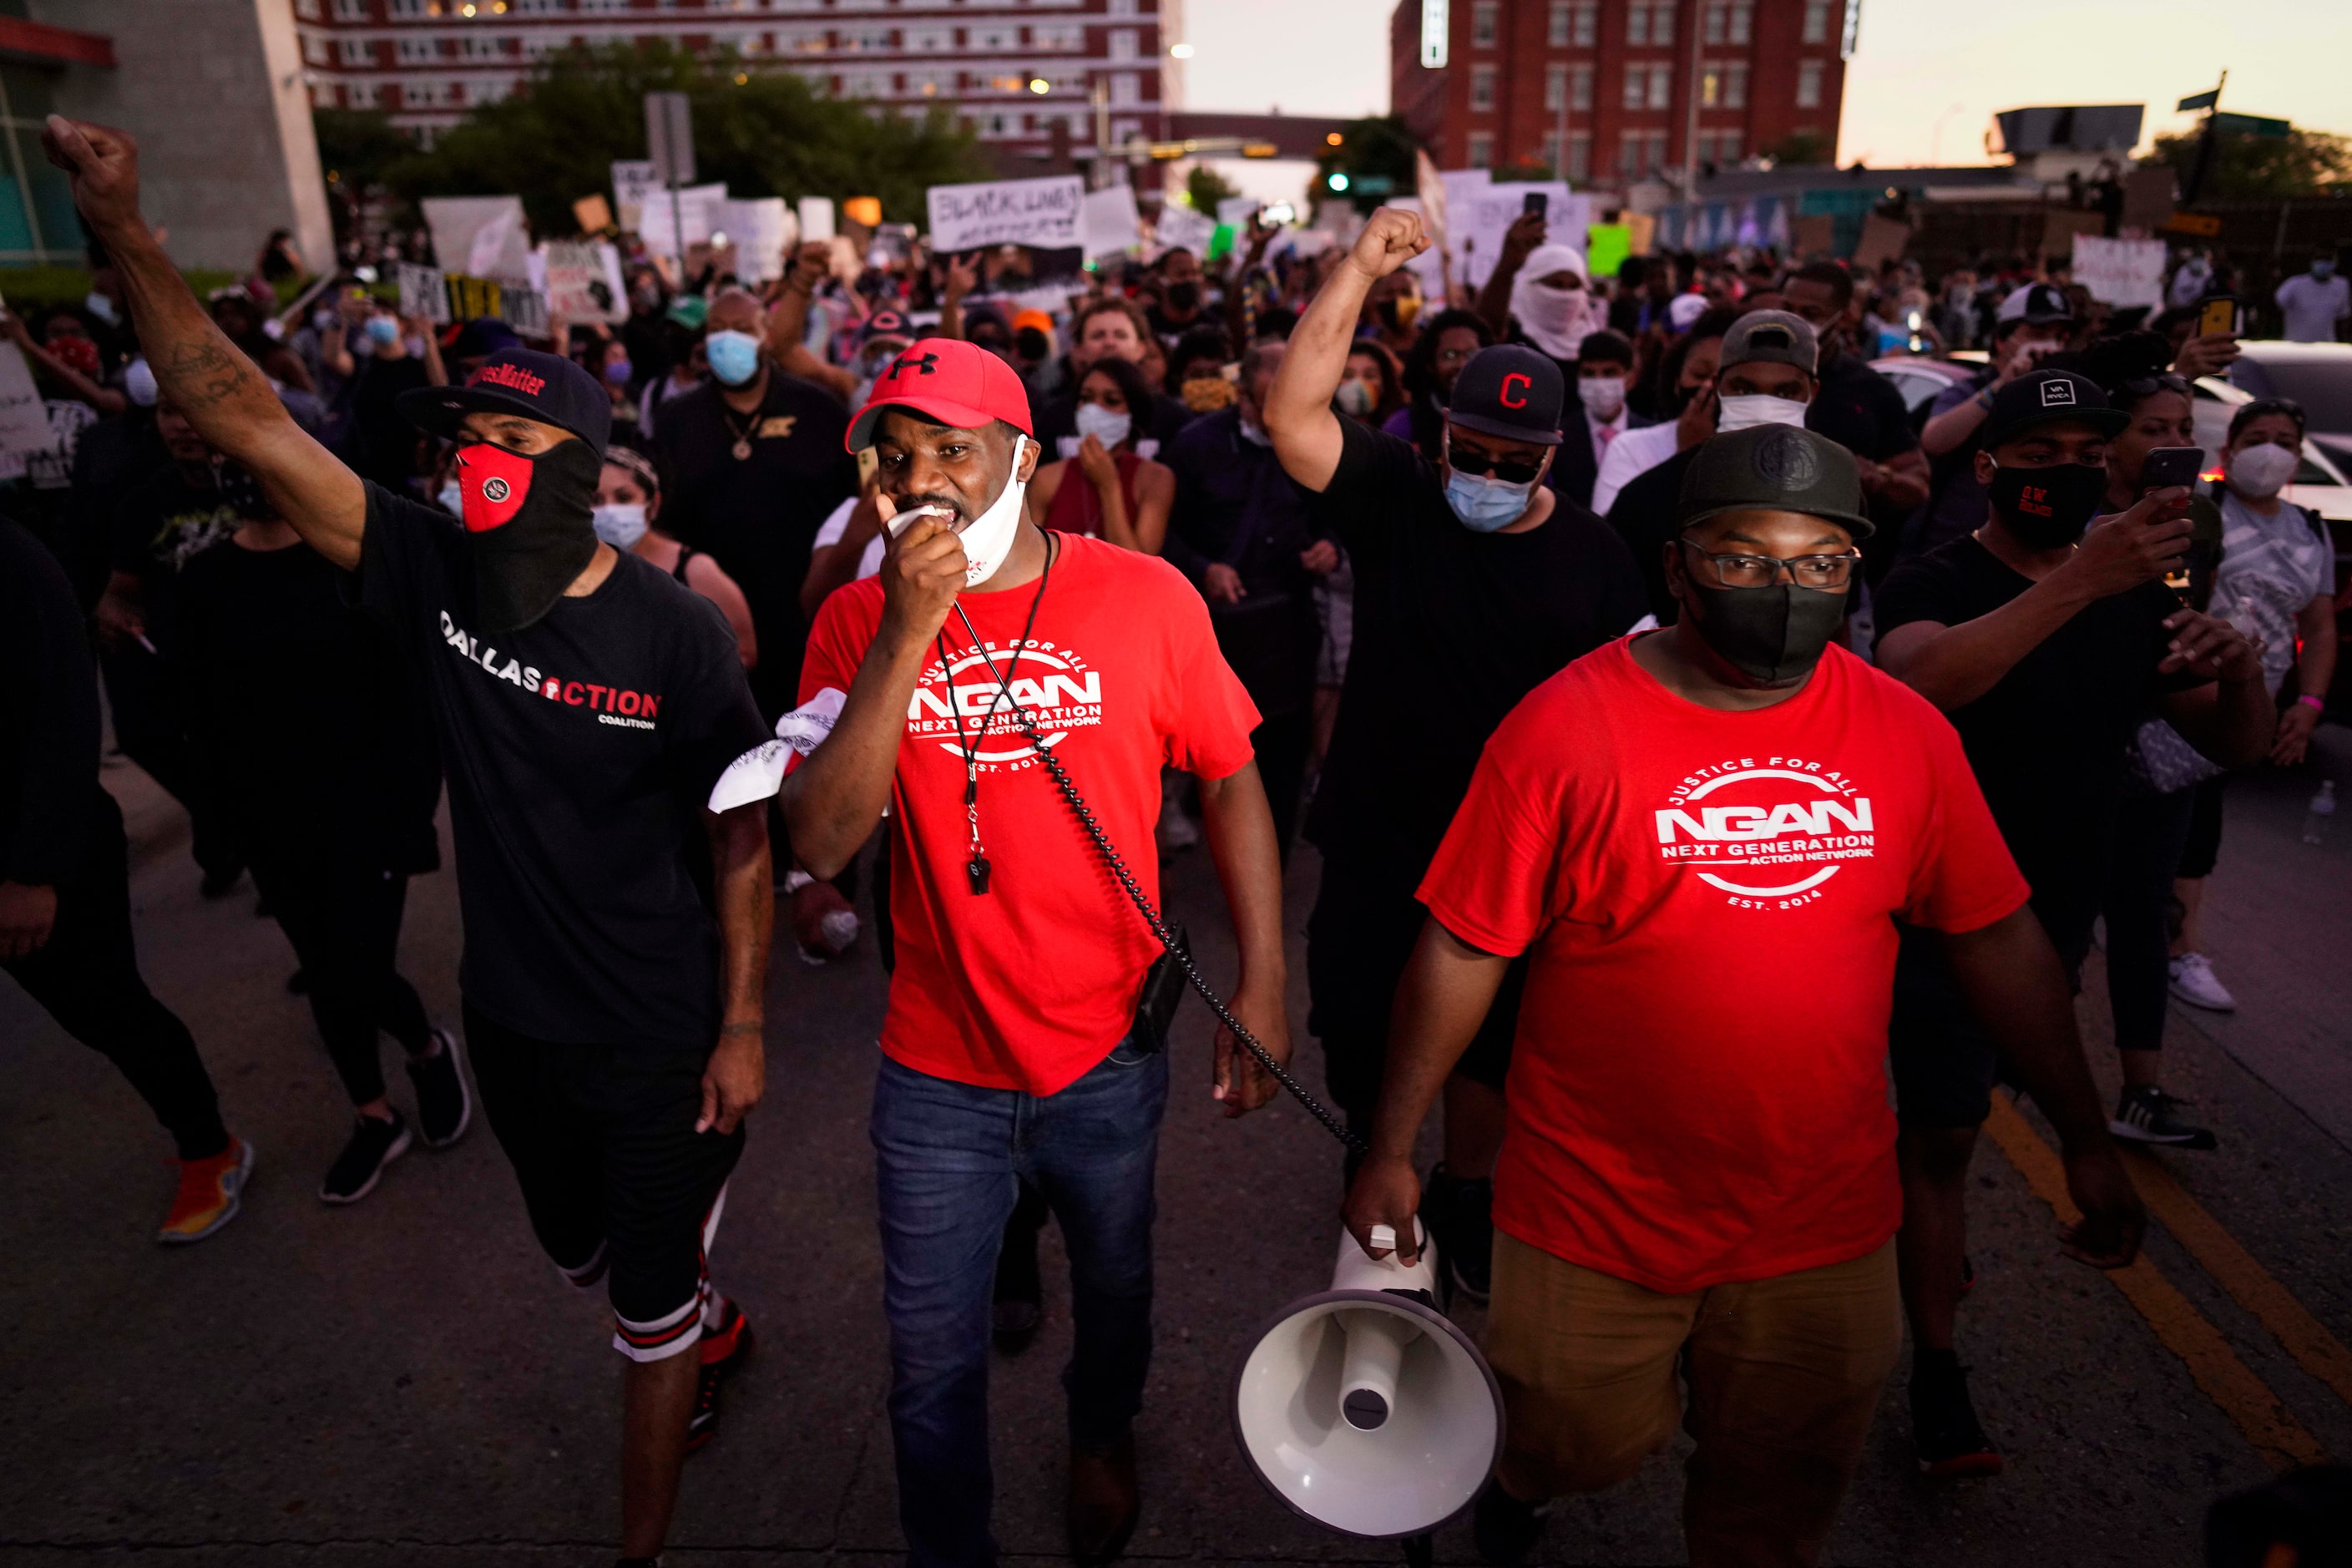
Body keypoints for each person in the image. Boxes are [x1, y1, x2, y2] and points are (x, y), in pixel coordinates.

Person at [49, 114, 777, 1568]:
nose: (480, 466)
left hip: (655, 1031)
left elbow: (744, 833)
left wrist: (745, 1019)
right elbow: (245, 412)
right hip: (511, 1023)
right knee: (577, 1255)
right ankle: (695, 1303)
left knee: (641, 1324)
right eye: (465, 442)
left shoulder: (677, 635)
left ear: (582, 464)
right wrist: (127, 225)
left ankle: (648, 1505)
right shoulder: (433, 573)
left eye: (515, 442)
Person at [1343, 422, 2146, 1568]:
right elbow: (1464, 946)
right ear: (1676, 568)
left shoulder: (1904, 734)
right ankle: (1523, 1479)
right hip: (1591, 1213)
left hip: (1820, 1223)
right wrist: (1389, 1142)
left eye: (1820, 563)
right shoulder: (1563, 728)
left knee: (1774, 1502)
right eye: (1744, 559)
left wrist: (2082, 1130)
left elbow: (1996, 936)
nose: (1786, 589)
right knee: (1571, 1440)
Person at [776, 336, 1290, 1568]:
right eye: (899, 456)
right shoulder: (857, 618)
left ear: (1023, 458)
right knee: (926, 1365)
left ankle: (1101, 1434)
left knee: (1115, 1291)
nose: (929, 479)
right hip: (936, 1066)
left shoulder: (1145, 598)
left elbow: (1230, 781)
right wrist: (905, 633)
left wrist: (1266, 981)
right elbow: (824, 837)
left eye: (956, 449)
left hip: (1108, 1049)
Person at [1872, 368, 2273, 1475]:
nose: (2059, 475)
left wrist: (2239, 668)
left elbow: (2233, 740)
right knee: (1941, 1136)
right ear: (1989, 468)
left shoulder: (2131, 596)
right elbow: (1917, 685)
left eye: (2078, 456)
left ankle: (1916, 1262)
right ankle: (1938, 1372)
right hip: (1933, 919)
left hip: (2056, 919)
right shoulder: (1935, 578)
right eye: (2034, 456)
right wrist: (2081, 578)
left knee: (1964, 1116)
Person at [1265, 208, 1646, 1303]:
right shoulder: (1396, 499)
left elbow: (1626, 704)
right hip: (1379, 834)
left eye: (1510, 460)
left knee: (1495, 1053)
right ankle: (1372, 1161)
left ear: (1551, 455)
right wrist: (1360, 268)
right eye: (1468, 450)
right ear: (1439, 434)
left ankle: (1468, 1194)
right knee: (1355, 1027)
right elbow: (1295, 414)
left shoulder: (1598, 559)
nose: (1483, 470)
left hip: (1518, 856)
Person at [177, 463, 463, 1203]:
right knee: (325, 970)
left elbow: (408, 706)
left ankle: (429, 1051)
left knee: (357, 969)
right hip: (271, 827)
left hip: (367, 819)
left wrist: (407, 824)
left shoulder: (352, 567)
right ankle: (374, 1115)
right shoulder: (204, 580)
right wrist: (220, 825)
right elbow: (201, 718)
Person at [3, 512, 251, 1242]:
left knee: (108, 1008)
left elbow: (63, 713)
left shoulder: (13, 560)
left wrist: (33, 871)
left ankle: (209, 1145)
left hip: (43, 856)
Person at [2168, 398, 2339, 1011]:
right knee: (2160, 820)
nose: (2270, 450)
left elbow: (2317, 627)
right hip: (2177, 697)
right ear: (2229, 451)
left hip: (2246, 705)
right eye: (2258, 437)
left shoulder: (2310, 529)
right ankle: (2152, 937)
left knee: (2199, 830)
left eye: (2284, 440)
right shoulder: (2202, 511)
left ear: (2296, 456)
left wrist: (2309, 702)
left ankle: (2179, 949)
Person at [655, 286, 857, 721]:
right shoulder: (676, 419)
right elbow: (663, 522)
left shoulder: (819, 410)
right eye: (717, 329)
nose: (728, 339)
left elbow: (853, 508)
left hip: (804, 614)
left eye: (743, 328)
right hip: (710, 618)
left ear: (767, 335)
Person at [1162, 340, 1333, 857]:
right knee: (1220, 751)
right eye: (1267, 403)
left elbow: (1350, 517)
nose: (1281, 415)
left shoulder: (1327, 441)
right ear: (1241, 399)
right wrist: (1203, 570)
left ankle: (1271, 861)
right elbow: (1162, 532)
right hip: (1216, 629)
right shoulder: (1195, 445)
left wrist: (1332, 547)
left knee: (1283, 751)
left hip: (1292, 623)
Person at [1606, 310, 1820, 623]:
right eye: (1745, 390)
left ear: (1812, 393)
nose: (1763, 405)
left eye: (1785, 392)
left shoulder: (1833, 494)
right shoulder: (1647, 499)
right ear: (1718, 386)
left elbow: (1838, 626)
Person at [1908, 282, 2076, 559]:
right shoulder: (1969, 391)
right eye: (2038, 334)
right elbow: (1935, 439)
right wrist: (2004, 384)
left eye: (2059, 336)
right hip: (1953, 552)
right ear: (2002, 341)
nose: (2050, 346)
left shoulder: (2060, 400)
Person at [1780, 262, 1931, 544]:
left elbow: (1918, 484)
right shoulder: (1750, 372)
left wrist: (1877, 478)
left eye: (1810, 314)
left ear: (1843, 317)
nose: (1794, 322)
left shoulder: (1870, 389)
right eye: (1787, 309)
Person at [592, 445, 758, 670]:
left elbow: (744, 652)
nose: (610, 510)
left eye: (624, 498)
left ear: (653, 504)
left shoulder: (696, 570)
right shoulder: (572, 567)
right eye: (596, 499)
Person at [1591, 306, 1738, 516]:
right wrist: (1687, 458)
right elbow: (1614, 534)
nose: (1709, 388)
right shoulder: (1632, 448)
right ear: (1677, 382)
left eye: (1725, 379)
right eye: (1700, 374)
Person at [1024, 354, 1176, 554]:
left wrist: (1109, 487)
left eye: (1111, 401)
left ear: (1134, 411)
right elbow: (1030, 556)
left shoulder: (1156, 479)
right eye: (1086, 398)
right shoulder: (1048, 478)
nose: (1094, 408)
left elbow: (1138, 567)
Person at [1033, 297, 1194, 459]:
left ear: (1141, 348)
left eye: (1121, 335)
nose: (1109, 343)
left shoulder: (1175, 419)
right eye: (1098, 336)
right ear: (1079, 350)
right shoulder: (1052, 418)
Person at [1549, 328, 1647, 511]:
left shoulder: (1650, 436)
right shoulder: (1558, 439)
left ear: (1630, 379)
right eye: (1589, 373)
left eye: (1609, 373)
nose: (1599, 383)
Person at [1383, 306, 1493, 461]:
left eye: (1471, 354)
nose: (1462, 364)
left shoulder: (1506, 420)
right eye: (1450, 355)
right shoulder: (1403, 426)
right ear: (1431, 365)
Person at [2274, 250, 2348, 343]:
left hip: (2326, 345)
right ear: (2312, 263)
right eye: (2319, 260)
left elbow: (2343, 317)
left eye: (2327, 260)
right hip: (2296, 344)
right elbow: (2278, 304)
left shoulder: (2342, 285)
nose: (2323, 264)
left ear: (2335, 263)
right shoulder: (2294, 284)